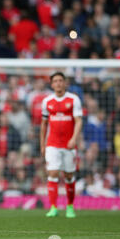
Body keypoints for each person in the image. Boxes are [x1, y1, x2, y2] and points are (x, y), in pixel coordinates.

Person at [40, 72, 83, 218]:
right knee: (52, 173)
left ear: (65, 83)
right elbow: (44, 124)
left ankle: (70, 206)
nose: (58, 83)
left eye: (60, 80)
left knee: (69, 175)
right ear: (51, 84)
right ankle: (53, 207)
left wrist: (74, 139)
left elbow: (78, 121)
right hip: (52, 143)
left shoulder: (73, 99)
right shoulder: (47, 101)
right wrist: (42, 144)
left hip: (69, 145)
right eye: (55, 81)